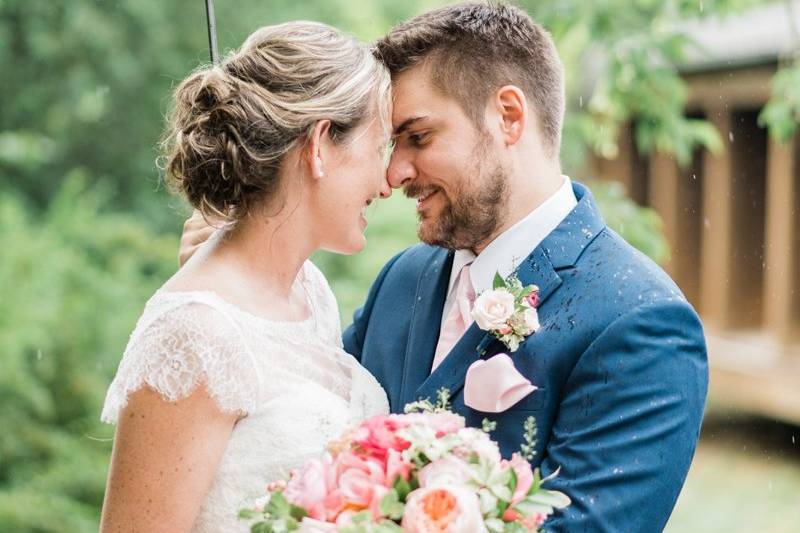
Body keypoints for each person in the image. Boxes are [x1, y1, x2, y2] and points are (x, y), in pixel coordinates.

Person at [179, 3, 709, 531]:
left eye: (419, 137)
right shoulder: (402, 279)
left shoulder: (643, 323)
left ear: (508, 116)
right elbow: (301, 437)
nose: (394, 171)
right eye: (390, 143)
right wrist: (240, 290)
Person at [100, 21, 393, 532]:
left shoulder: (310, 291)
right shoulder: (193, 333)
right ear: (321, 144)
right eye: (379, 148)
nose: (387, 182)